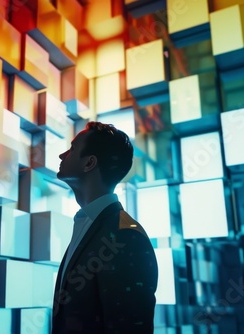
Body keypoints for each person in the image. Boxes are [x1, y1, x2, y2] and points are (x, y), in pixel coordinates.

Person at [52, 121, 158, 333]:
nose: (61, 155)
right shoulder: (89, 224)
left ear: (89, 163)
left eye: (72, 149)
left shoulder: (126, 235)